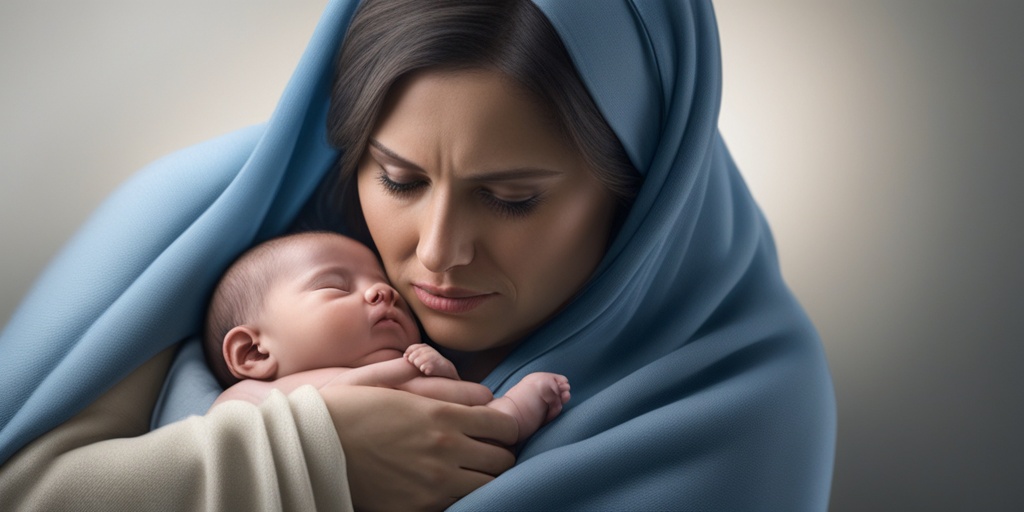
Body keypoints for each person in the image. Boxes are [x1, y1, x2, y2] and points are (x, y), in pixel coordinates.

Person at [0, 1, 836, 511]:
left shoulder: (749, 403)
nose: (435, 256)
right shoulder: (199, 229)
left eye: (510, 198)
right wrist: (306, 456)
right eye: (397, 179)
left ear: (646, 190)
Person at [205, 231, 570, 444]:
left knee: (493, 419)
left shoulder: (412, 365)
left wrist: (442, 373)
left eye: (385, 283)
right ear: (253, 351)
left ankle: (517, 412)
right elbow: (237, 445)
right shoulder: (251, 398)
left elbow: (465, 412)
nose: (383, 292)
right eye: (334, 285)